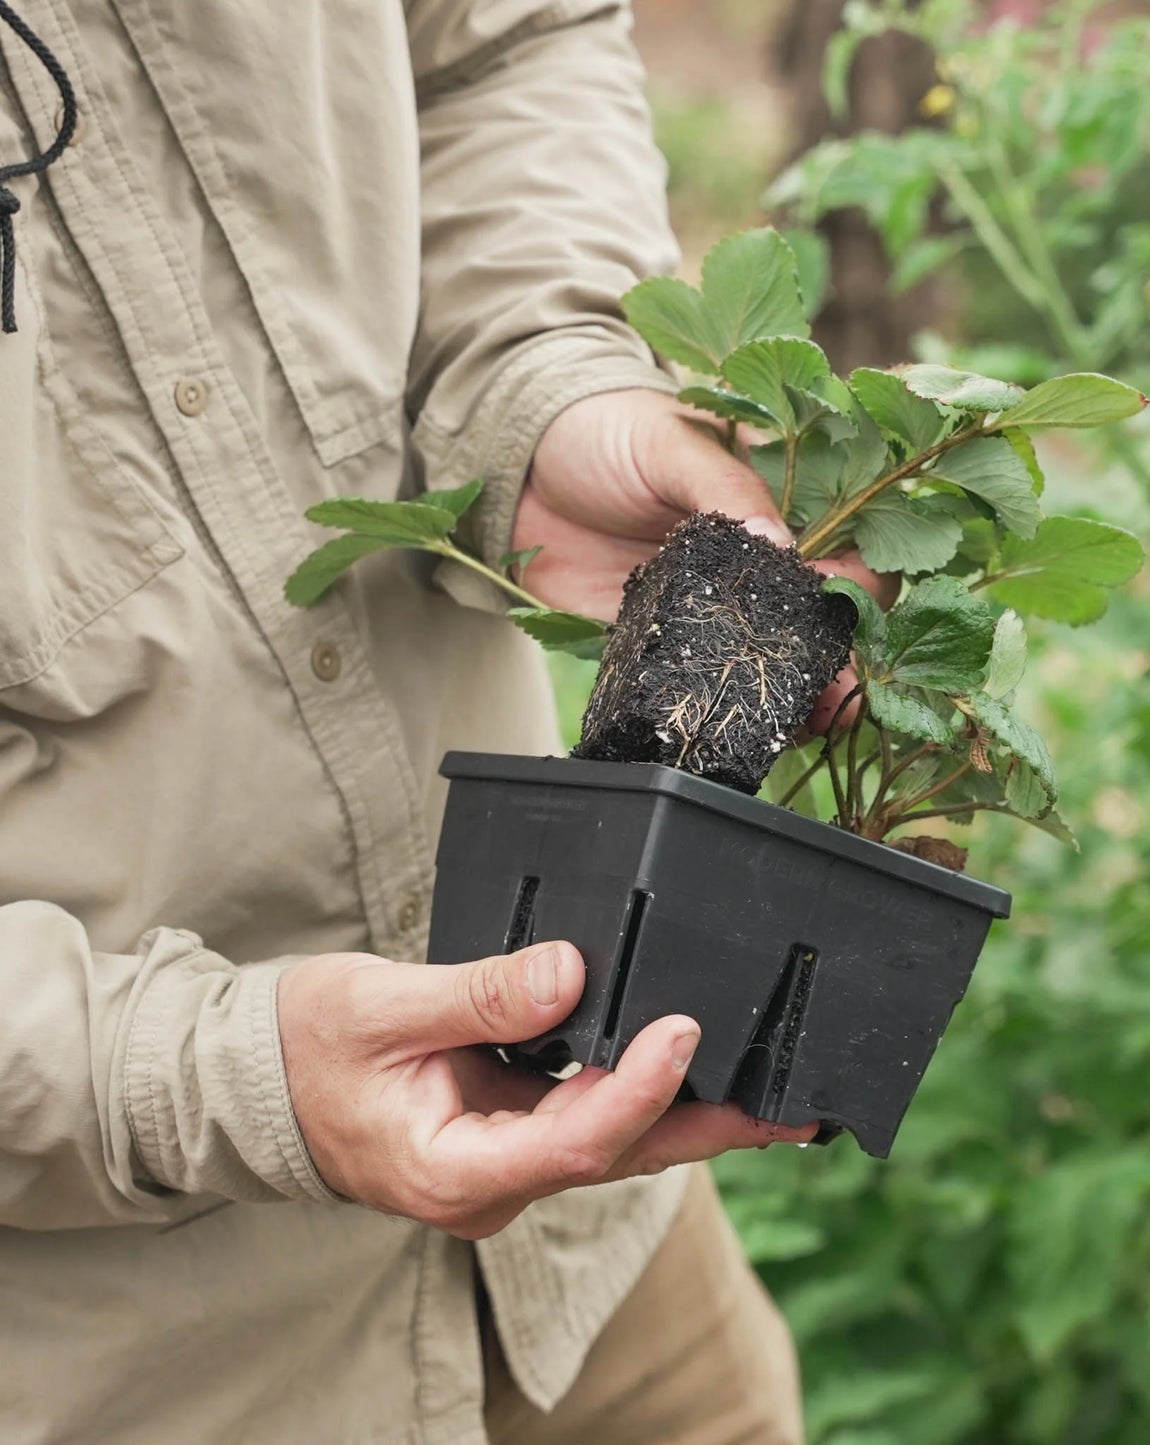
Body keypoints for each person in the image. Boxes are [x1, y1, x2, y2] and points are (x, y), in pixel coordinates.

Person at [0, 2, 881, 1440]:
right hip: (134, 1365)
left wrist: (541, 383)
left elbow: (496, 38)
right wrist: (211, 1077)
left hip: (592, 1261)